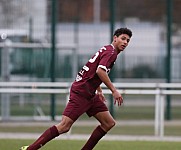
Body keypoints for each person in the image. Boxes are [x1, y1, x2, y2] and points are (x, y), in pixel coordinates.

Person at [20, 27, 132, 150]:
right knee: (64, 126)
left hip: (89, 93)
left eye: (128, 40)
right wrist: (114, 91)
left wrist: (98, 89)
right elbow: (100, 71)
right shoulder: (111, 53)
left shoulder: (107, 49)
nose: (125, 42)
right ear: (115, 38)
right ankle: (30, 149)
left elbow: (93, 70)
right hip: (82, 92)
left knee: (108, 123)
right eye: (123, 39)